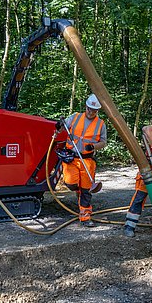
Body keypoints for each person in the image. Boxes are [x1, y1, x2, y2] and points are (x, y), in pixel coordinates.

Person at [55, 94, 107, 227]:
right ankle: (76, 190)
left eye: (94, 110)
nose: (91, 112)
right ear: (86, 106)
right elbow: (62, 128)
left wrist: (94, 146)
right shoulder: (75, 117)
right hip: (71, 158)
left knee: (86, 190)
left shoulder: (101, 124)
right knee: (70, 183)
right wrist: (59, 125)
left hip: (87, 161)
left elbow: (104, 142)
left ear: (97, 111)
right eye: (89, 109)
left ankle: (85, 216)